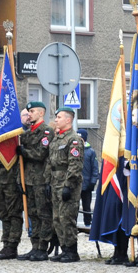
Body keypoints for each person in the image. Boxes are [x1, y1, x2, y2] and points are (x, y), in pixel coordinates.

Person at [44, 107, 83, 263]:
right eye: (56, 117)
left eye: (59, 117)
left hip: (67, 183)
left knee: (66, 217)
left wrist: (69, 185)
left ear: (68, 120)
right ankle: (64, 248)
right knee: (57, 218)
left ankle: (72, 251)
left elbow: (75, 165)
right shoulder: (56, 139)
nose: (56, 120)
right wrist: (47, 182)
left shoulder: (74, 139)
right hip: (55, 182)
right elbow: (50, 162)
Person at [16, 101, 53, 261]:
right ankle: (34, 246)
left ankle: (43, 247)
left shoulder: (46, 132)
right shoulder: (27, 133)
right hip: (28, 180)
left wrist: (24, 151)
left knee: (43, 214)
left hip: (40, 180)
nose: (28, 114)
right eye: (28, 111)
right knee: (32, 214)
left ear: (41, 113)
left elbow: (40, 154)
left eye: (31, 111)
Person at [0, 130, 25, 260]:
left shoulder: (17, 136)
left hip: (12, 179)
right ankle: (6, 243)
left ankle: (12, 245)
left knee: (14, 212)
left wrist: (21, 181)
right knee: (1, 210)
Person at [78, 129, 99, 227]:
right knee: (74, 206)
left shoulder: (90, 151)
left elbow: (95, 168)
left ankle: (88, 223)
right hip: (76, 184)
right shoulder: (74, 150)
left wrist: (93, 182)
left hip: (87, 183)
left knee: (86, 206)